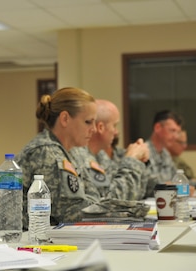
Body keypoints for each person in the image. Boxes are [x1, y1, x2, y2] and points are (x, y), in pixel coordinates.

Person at [15, 87, 148, 225]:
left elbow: (100, 196)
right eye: (88, 122)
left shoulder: (74, 152)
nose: (94, 129)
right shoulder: (46, 152)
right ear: (65, 119)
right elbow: (72, 213)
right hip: (32, 240)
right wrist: (133, 211)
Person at [71, 99, 149, 198]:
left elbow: (133, 195)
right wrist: (132, 159)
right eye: (114, 125)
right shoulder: (80, 156)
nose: (116, 132)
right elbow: (110, 199)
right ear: (101, 127)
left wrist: (139, 162)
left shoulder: (101, 155)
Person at [144, 110, 182, 198]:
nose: (175, 136)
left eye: (177, 132)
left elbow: (176, 178)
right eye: (172, 131)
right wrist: (171, 186)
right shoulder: (143, 152)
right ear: (157, 128)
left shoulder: (166, 154)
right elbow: (146, 186)